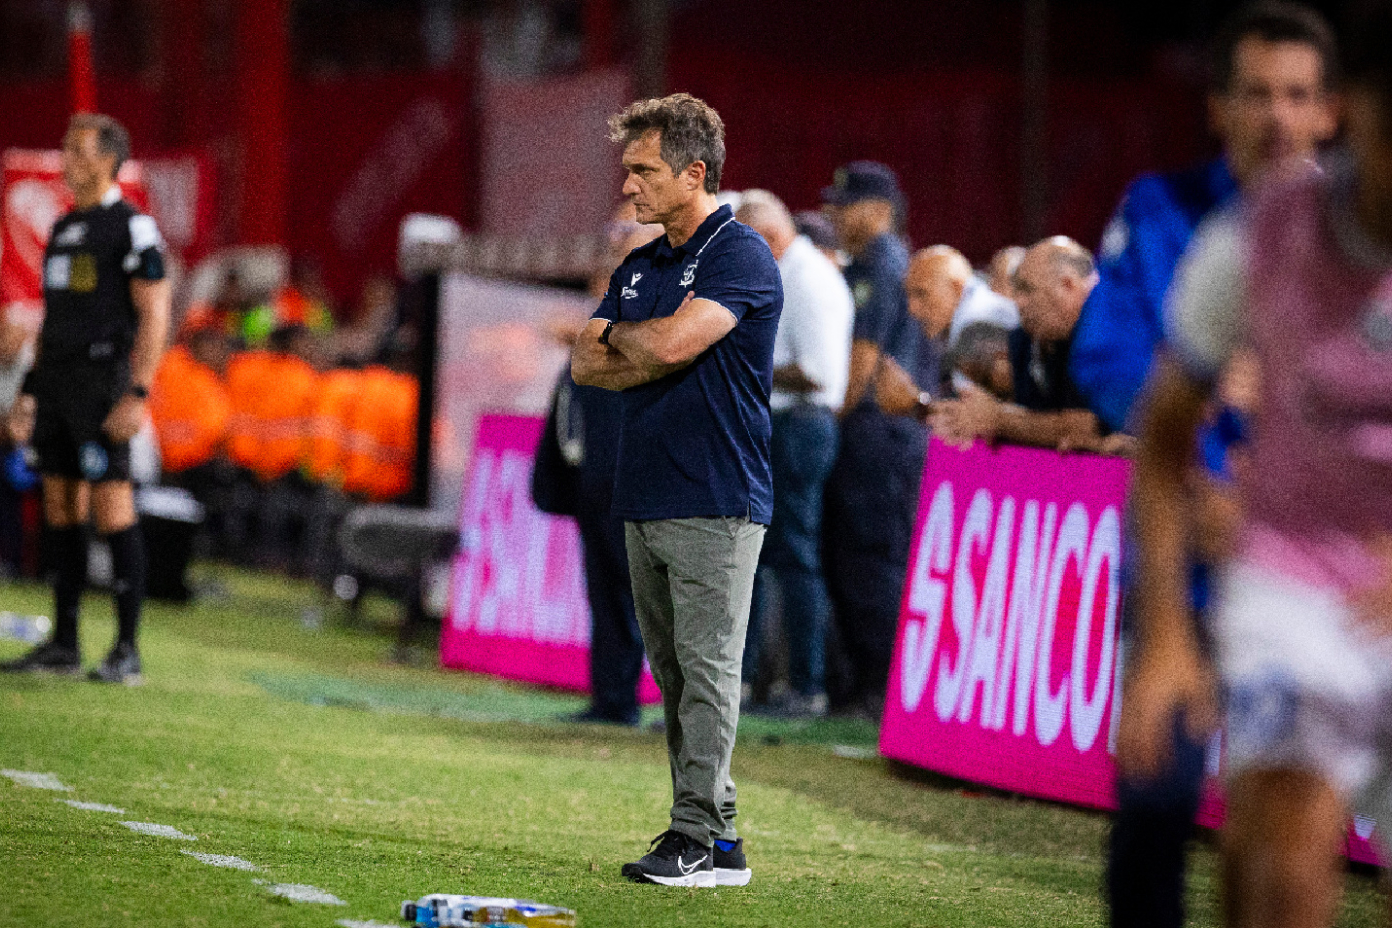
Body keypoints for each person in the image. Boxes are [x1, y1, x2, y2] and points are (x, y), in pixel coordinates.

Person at [1068, 6, 1340, 926]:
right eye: (1256, 94)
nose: (1278, 116)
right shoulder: (1162, 211)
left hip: (1316, 580)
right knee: (1155, 806)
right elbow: (1106, 356)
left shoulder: (1361, 233)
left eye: (1297, 95)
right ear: (1218, 107)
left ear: (1331, 110)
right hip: (1183, 566)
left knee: (1280, 835)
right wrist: (1202, 386)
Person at [1119, 3, 1392, 919]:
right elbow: (1160, 430)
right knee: (1282, 846)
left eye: (1297, 94)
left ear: (1326, 107)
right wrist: (1163, 634)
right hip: (1292, 580)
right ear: (1358, 114)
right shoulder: (1258, 235)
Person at [570, 93, 781, 888]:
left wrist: (632, 342)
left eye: (644, 170)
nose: (628, 186)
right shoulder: (643, 263)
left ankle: (691, 834)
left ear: (695, 173)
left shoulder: (740, 255)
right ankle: (720, 844)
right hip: (648, 490)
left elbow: (665, 346)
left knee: (707, 674)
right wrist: (645, 345)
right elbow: (586, 362)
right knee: (679, 677)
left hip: (717, 495)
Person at [1, 113, 170, 683]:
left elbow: (155, 313)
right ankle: (64, 643)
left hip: (103, 386)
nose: (67, 159)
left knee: (112, 506)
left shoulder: (133, 227)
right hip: (56, 386)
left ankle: (126, 650)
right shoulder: (65, 227)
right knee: (59, 508)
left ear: (107, 160)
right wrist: (29, 391)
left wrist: (138, 392)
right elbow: (54, 320)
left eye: (78, 150)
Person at [820, 161, 934, 718]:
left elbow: (860, 362)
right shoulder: (878, 264)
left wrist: (830, 419)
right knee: (853, 559)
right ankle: (864, 688)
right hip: (879, 432)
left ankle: (882, 690)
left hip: (876, 434)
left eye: (846, 206)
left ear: (880, 210)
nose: (835, 216)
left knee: (870, 560)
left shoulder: (880, 267)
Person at [735, 189, 853, 717]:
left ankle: (807, 686)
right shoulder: (791, 273)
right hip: (783, 424)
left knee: (796, 557)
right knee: (761, 556)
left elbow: (818, 374)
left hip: (800, 426)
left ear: (767, 235)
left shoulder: (808, 280)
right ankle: (750, 681)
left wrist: (741, 362)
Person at [932, 236, 1116, 453]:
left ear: (1068, 285)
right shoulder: (1026, 340)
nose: (1017, 302)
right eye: (1016, 289)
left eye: (1027, 289)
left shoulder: (1115, 332)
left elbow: (1093, 427)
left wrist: (999, 419)